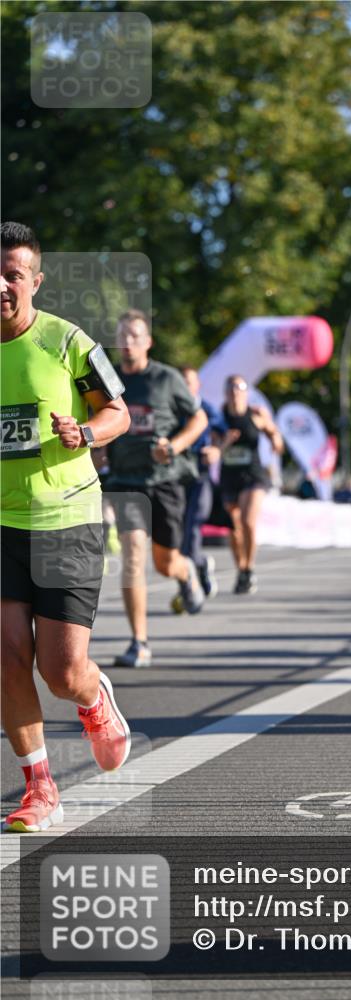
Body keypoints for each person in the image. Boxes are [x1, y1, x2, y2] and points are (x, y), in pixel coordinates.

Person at [1, 221, 132, 832]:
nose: (1, 286)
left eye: (13, 275)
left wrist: (86, 432)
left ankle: (93, 695)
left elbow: (117, 412)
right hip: (2, 523)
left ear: (35, 281)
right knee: (7, 658)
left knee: (61, 673)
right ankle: (40, 788)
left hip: (66, 520)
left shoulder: (67, 341)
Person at [105, 311, 208, 667]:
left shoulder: (166, 378)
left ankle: (186, 572)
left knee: (165, 564)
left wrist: (174, 447)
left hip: (164, 481)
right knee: (133, 554)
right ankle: (140, 642)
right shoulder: (106, 378)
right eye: (122, 335)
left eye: (135, 335)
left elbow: (199, 419)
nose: (127, 342)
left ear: (148, 342)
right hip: (124, 481)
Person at [212, 375, 284, 594]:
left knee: (248, 521)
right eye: (231, 387)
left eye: (239, 387)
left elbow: (276, 438)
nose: (235, 391)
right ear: (225, 392)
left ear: (246, 392)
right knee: (233, 528)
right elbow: (214, 450)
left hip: (253, 476)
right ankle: (241, 569)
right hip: (229, 477)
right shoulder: (219, 418)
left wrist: (275, 441)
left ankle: (249, 567)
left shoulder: (256, 415)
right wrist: (225, 443)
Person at [170, 366, 223, 612]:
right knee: (178, 533)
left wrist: (216, 450)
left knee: (193, 526)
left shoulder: (207, 409)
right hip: (176, 477)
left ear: (198, 384)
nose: (185, 386)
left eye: (189, 382)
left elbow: (225, 434)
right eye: (182, 382)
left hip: (200, 477)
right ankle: (199, 566)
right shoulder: (172, 408)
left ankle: (189, 587)